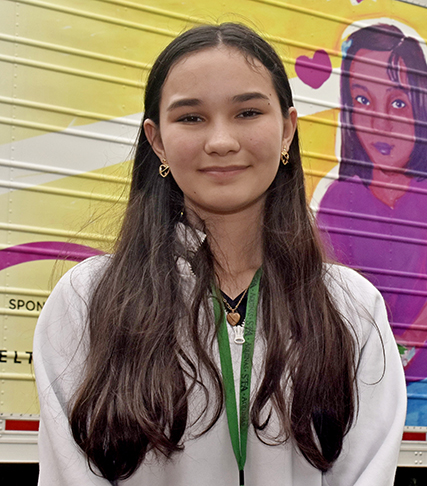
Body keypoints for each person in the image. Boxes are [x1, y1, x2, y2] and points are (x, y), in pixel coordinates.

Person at [34, 23, 406, 485]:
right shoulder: (88, 300)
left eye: (248, 112)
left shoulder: (351, 307)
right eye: (191, 118)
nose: (221, 141)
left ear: (288, 130)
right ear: (157, 140)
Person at [316, 23, 427, 426]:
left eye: (398, 103)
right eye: (363, 99)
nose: (379, 123)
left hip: (415, 384)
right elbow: (327, 291)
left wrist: (396, 350)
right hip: (347, 380)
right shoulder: (339, 200)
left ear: (423, 109)